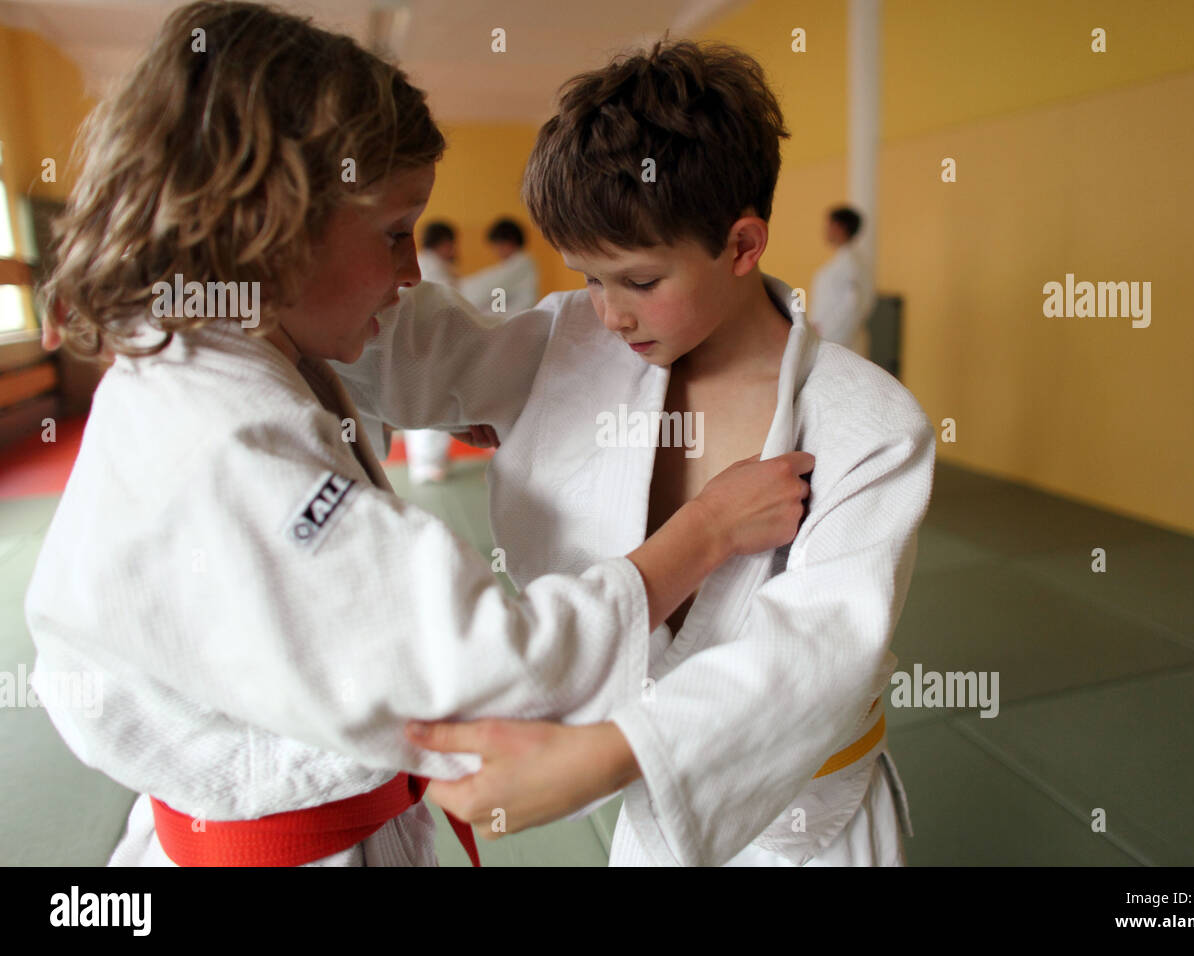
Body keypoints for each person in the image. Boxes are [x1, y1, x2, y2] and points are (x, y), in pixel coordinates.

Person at [25, 2, 813, 868]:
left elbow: (413, 339)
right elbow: (488, 666)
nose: (411, 269)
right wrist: (704, 534)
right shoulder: (225, 448)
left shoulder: (227, 331)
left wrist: (537, 389)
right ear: (270, 228)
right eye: (395, 233)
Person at [340, 39, 935, 866]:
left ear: (741, 244)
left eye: (640, 281)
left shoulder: (869, 425)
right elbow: (389, 347)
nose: (610, 314)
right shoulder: (566, 345)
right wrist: (247, 270)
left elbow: (820, 650)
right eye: (589, 277)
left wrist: (611, 753)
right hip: (652, 815)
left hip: (811, 828)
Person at [407, 220, 459, 482]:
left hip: (416, 342)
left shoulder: (421, 261)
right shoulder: (434, 266)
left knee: (421, 400)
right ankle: (429, 464)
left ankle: (424, 463)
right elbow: (450, 304)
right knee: (434, 400)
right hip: (431, 342)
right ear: (446, 243)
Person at [810, 205, 874, 354]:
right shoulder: (844, 262)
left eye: (829, 225)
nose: (825, 230)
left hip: (839, 342)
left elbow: (851, 306)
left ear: (840, 227)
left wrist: (826, 333)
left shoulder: (850, 265)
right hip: (831, 340)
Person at [458, 217, 539, 319]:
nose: (496, 251)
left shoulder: (522, 262)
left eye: (498, 245)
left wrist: (459, 287)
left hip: (519, 322)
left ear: (510, 241)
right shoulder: (515, 264)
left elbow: (489, 286)